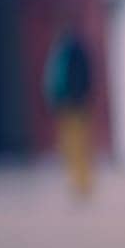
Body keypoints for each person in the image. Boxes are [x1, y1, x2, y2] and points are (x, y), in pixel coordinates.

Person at [43, 26, 94, 201]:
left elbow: (83, 77)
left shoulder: (72, 53)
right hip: (64, 105)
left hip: (75, 103)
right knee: (69, 146)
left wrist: (80, 97)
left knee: (79, 144)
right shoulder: (61, 53)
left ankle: (83, 183)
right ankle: (76, 182)